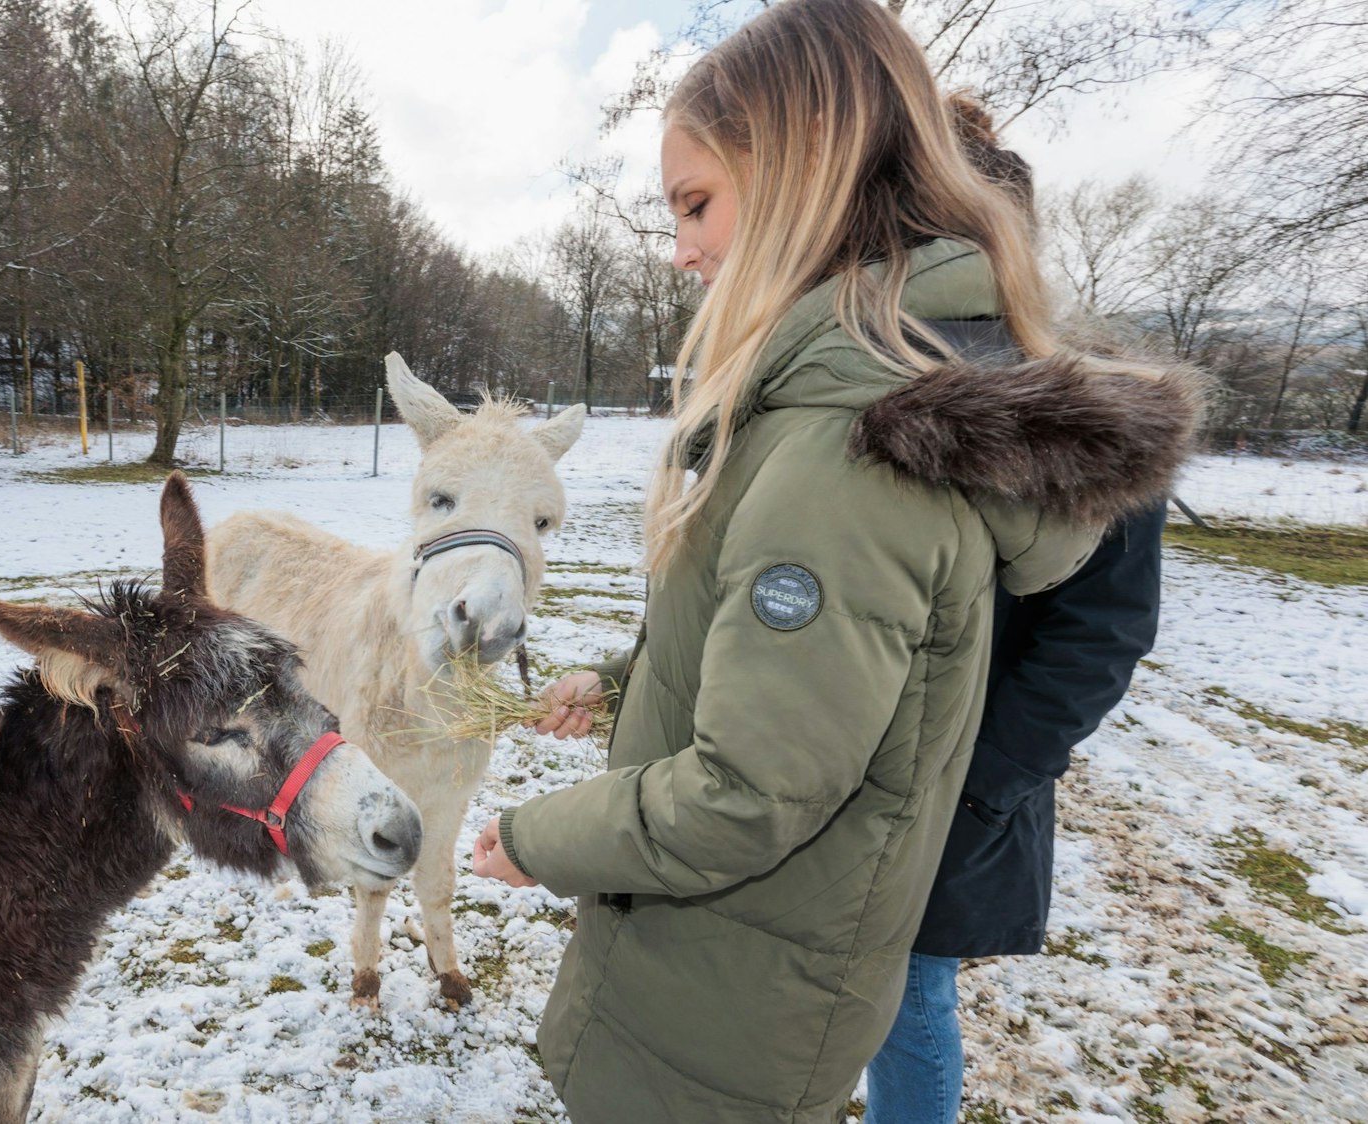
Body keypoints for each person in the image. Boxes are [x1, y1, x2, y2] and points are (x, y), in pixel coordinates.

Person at [465, 1, 1201, 1120]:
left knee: (913, 1022)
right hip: (728, 960)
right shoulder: (818, 402)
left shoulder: (842, 442)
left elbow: (752, 789)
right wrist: (623, 683)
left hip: (729, 983)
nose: (682, 250)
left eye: (696, 203)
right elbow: (772, 645)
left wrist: (534, 837)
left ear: (805, 168)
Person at [860, 98, 1170, 1124]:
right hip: (830, 754)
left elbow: (1103, 629)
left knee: (910, 994)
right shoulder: (860, 370)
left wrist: (982, 780)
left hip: (963, 783)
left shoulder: (1086, 405)